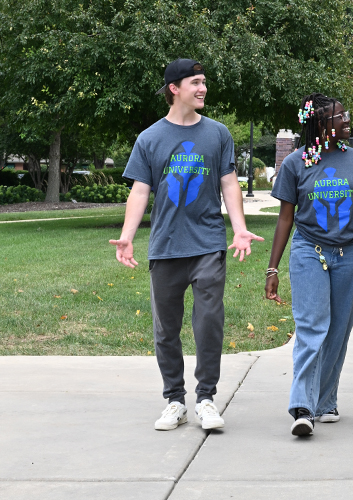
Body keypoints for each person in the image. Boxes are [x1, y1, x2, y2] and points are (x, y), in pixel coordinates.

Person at [110, 58, 263, 431]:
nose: (203, 88)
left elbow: (229, 184)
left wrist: (239, 227)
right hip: (165, 246)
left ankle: (206, 398)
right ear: (174, 88)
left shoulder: (217, 134)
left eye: (204, 82)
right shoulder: (149, 138)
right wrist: (128, 236)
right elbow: (140, 190)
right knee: (166, 328)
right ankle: (174, 400)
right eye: (196, 82)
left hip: (208, 242)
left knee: (208, 321)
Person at [265, 94, 353, 437]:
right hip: (308, 250)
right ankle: (302, 405)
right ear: (318, 124)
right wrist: (272, 269)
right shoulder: (296, 163)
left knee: (338, 331)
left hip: (351, 252)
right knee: (312, 327)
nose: (346, 121)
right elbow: (285, 219)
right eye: (339, 117)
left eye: (346, 115)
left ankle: (326, 400)